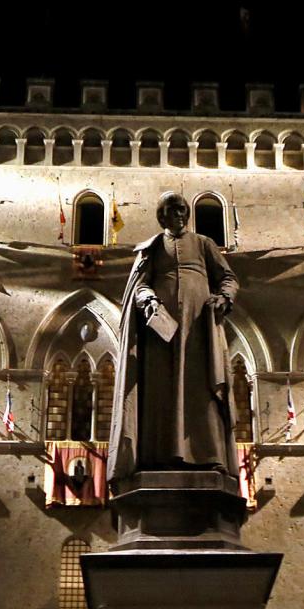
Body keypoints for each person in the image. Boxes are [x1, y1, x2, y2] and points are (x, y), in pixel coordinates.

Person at [108, 192, 239, 482]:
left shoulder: (204, 245)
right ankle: (157, 457)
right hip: (160, 336)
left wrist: (223, 298)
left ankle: (210, 456)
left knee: (202, 389)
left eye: (183, 209)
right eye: (173, 210)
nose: (180, 214)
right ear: (162, 216)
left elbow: (228, 278)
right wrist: (148, 299)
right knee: (160, 392)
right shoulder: (152, 248)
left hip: (199, 330)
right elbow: (139, 286)